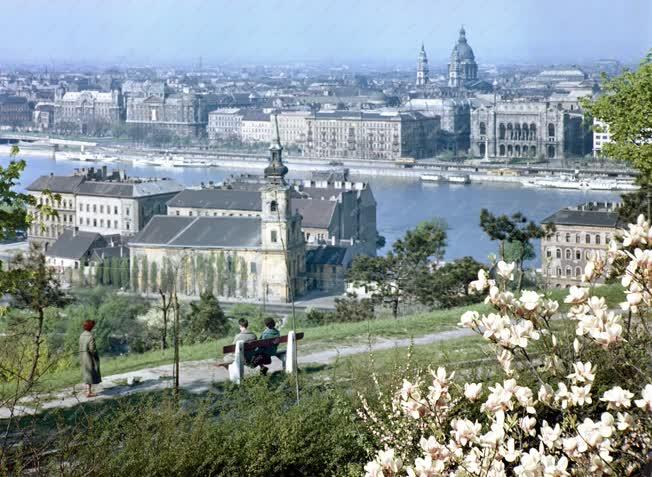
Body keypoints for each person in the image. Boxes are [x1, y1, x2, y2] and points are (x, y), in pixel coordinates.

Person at [79, 320, 101, 397]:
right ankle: (89, 392)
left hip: (82, 357)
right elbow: (92, 349)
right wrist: (96, 355)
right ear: (91, 327)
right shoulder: (90, 336)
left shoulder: (81, 335)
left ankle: (87, 390)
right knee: (91, 374)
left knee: (86, 373)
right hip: (89, 358)